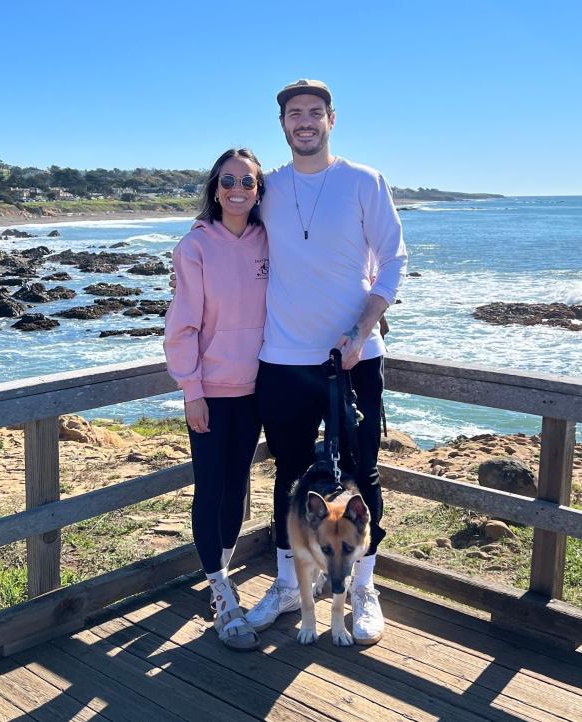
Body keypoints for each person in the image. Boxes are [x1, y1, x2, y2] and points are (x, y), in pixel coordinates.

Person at [245, 80, 407, 645]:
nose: (305, 122)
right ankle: (290, 584)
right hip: (283, 358)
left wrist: (362, 330)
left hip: (353, 359)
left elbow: (393, 259)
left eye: (315, 112)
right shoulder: (267, 188)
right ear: (283, 124)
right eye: (295, 114)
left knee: (363, 477)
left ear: (331, 120)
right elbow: (234, 241)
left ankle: (363, 589)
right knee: (289, 477)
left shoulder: (364, 181)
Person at [164, 148, 268, 651]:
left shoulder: (268, 240)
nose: (237, 189)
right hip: (211, 391)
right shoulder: (195, 247)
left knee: (237, 483)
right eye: (228, 180)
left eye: (247, 182)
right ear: (215, 187)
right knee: (210, 487)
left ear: (258, 190)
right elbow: (181, 326)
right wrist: (191, 391)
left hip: (259, 389)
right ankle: (219, 589)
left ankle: (221, 573)